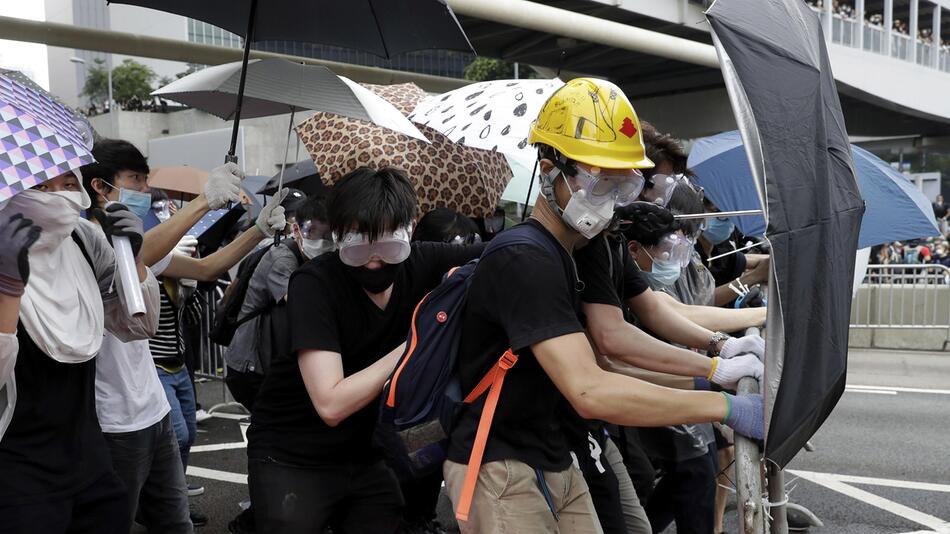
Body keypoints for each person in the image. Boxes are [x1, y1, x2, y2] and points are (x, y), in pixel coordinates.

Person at [443, 78, 764, 534]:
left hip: (555, 450)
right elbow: (590, 386)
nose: (612, 200)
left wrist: (714, 367)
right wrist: (723, 406)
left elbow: (613, 347)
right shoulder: (525, 257)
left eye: (625, 184)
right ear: (550, 168)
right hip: (499, 464)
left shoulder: (575, 249)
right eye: (600, 181)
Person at [247, 167, 485, 533]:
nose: (375, 261)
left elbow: (508, 253)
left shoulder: (422, 260)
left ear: (410, 228)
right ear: (338, 235)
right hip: (293, 452)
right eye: (359, 249)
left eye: (389, 247)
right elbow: (331, 403)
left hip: (365, 452)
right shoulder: (315, 284)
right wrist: (417, 343)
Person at [81, 138, 286, 529]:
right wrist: (204, 201)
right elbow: (133, 257)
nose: (145, 190)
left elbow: (206, 268)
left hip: (151, 408)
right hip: (113, 421)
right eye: (135, 180)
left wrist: (258, 230)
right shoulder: (84, 241)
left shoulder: (129, 240)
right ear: (101, 187)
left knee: (176, 525)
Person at [0, 169, 160, 534]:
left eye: (69, 185)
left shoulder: (83, 239)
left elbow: (138, 325)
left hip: (90, 461)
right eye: (40, 186)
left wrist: (132, 259)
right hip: (16, 473)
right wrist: (8, 287)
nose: (58, 196)